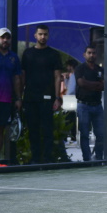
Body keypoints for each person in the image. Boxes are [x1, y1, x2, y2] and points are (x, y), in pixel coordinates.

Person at [20, 24, 63, 164]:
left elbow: (57, 77)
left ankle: (47, 158)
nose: (43, 37)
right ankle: (35, 158)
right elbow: (22, 76)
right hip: (30, 97)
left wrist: (57, 97)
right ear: (35, 35)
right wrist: (20, 97)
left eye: (45, 34)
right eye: (40, 34)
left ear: (48, 36)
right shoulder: (27, 54)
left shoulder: (54, 54)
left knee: (47, 129)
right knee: (33, 129)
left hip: (48, 98)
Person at [74, 45, 105, 161]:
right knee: (84, 134)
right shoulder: (80, 68)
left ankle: (98, 157)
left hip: (97, 105)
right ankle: (87, 159)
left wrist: (88, 84)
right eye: (89, 53)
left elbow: (103, 86)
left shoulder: (100, 69)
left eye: (94, 53)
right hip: (83, 105)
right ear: (84, 54)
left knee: (101, 134)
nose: (92, 55)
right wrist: (96, 84)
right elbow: (81, 83)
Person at [0, 28, 22, 162]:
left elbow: (17, 79)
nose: (5, 40)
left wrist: (18, 98)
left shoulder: (14, 57)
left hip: (5, 100)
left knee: (0, 130)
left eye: (7, 38)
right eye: (2, 37)